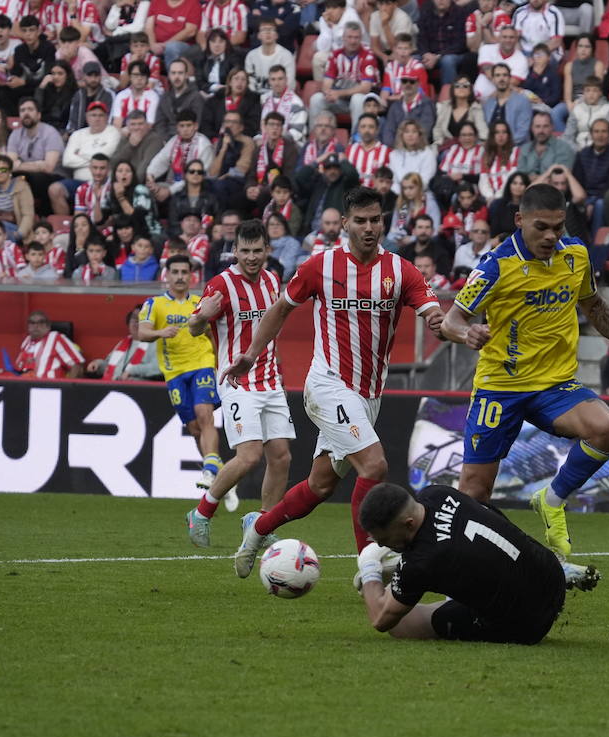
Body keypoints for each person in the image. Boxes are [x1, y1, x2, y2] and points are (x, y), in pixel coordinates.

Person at [439, 182, 609, 556]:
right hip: (501, 386)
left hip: (554, 384)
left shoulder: (576, 256)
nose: (551, 235)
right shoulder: (495, 265)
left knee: (607, 429)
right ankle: (444, 559)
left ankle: (551, 499)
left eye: (558, 226)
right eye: (542, 227)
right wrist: (467, 333)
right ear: (520, 220)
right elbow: (451, 318)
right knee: (474, 493)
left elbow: (595, 307)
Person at [222, 188, 440, 575]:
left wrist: (448, 325)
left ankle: (258, 528)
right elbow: (280, 309)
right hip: (327, 385)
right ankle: (370, 565)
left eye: (376, 220)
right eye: (360, 220)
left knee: (319, 487)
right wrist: (251, 354)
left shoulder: (400, 271)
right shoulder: (320, 266)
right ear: (345, 223)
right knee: (373, 466)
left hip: (368, 395)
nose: (369, 228)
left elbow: (434, 313)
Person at [353, 482, 599, 643]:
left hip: (527, 624)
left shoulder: (422, 563)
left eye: (386, 539)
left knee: (404, 624)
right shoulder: (437, 493)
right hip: (549, 572)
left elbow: (381, 619)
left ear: (408, 524)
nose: (383, 545)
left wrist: (369, 568)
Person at [183, 220, 295, 547]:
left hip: (270, 379)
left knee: (282, 457)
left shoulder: (273, 280)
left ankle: (262, 523)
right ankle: (201, 513)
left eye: (257, 250)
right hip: (236, 380)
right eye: (244, 251)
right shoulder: (220, 285)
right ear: (235, 251)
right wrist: (202, 316)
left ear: (267, 250)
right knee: (248, 456)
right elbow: (193, 328)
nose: (251, 257)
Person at [137, 255, 227, 493]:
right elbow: (141, 332)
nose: (179, 277)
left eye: (183, 272)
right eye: (174, 272)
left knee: (204, 411)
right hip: (174, 371)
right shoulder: (154, 304)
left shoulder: (200, 302)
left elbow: (213, 335)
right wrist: (160, 332)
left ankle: (210, 470)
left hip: (202, 363)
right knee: (195, 427)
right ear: (166, 276)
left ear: (191, 276)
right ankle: (219, 475)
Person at [85, 307, 163, 380]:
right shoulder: (123, 343)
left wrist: (132, 371)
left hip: (139, 389)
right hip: (114, 386)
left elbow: (159, 368)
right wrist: (98, 364)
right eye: (134, 318)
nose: (136, 322)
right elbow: (110, 366)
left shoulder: (156, 343)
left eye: (141, 319)